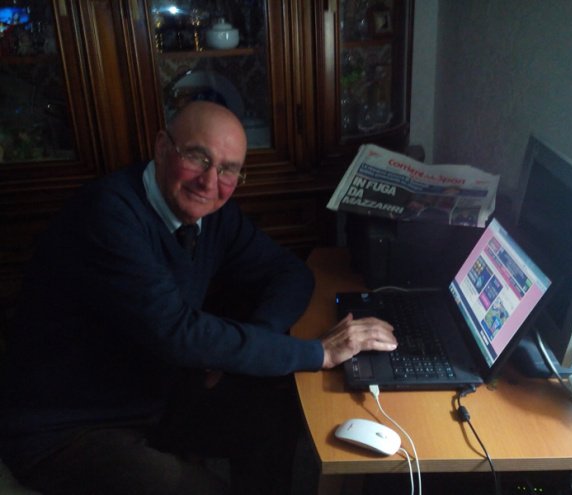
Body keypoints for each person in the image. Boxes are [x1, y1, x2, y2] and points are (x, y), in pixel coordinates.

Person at [0, 101, 397, 495]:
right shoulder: (108, 215)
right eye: (197, 157)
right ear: (162, 148)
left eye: (228, 169)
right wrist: (318, 353)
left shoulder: (212, 213)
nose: (210, 182)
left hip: (154, 396)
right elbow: (177, 333)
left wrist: (257, 337)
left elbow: (289, 272)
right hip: (67, 429)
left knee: (271, 418)